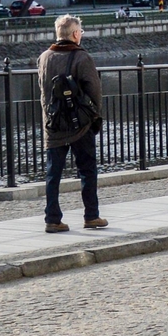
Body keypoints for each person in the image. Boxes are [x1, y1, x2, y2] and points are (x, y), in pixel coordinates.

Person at [37, 15, 108, 233]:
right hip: (80, 125)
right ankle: (91, 216)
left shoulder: (44, 57)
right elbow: (94, 91)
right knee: (87, 170)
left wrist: (49, 119)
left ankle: (52, 218)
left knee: (53, 173)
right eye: (81, 32)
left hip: (54, 124)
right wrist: (94, 116)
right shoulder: (82, 58)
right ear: (75, 34)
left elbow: (43, 92)